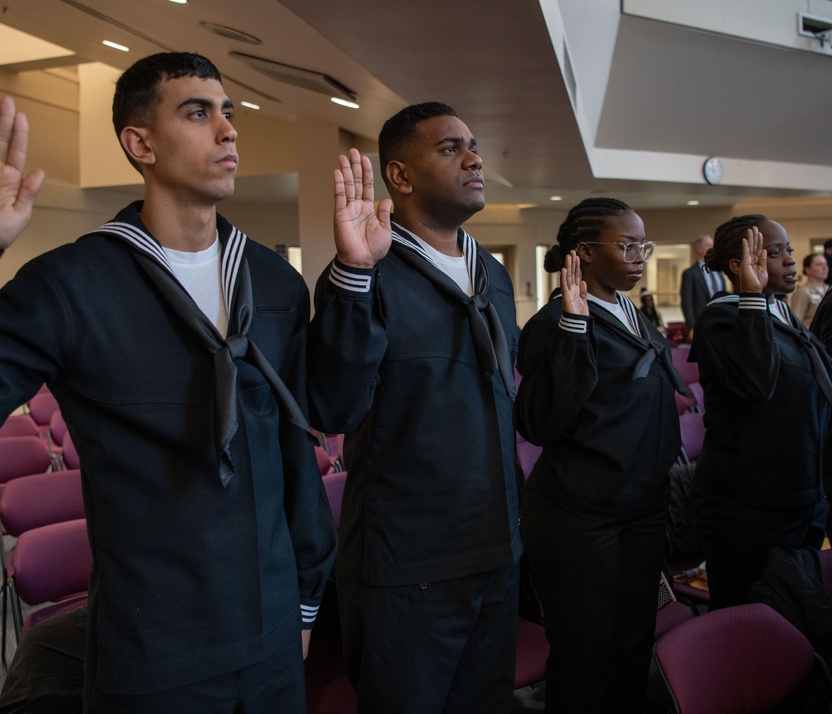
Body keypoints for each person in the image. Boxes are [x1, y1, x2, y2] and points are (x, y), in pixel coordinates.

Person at [0, 52, 337, 712]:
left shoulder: (273, 284)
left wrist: (307, 598)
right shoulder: (69, 288)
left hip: (273, 633)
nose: (228, 129)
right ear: (138, 143)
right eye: (198, 113)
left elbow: (293, 455)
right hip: (154, 648)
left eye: (228, 112)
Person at [308, 103, 521, 713]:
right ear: (399, 177)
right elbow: (335, 406)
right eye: (451, 148)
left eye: (473, 145)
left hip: (495, 549)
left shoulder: (494, 275)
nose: (474, 157)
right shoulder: (365, 272)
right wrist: (354, 271)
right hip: (409, 565)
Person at [515, 198, 686, 713]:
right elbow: (540, 422)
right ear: (585, 251)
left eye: (643, 246)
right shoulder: (553, 323)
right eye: (627, 245)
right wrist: (573, 327)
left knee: (633, 640)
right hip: (581, 514)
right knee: (586, 653)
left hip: (640, 505)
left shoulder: (630, 308)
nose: (639, 256)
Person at [692, 215, 831, 610]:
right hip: (747, 509)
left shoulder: (783, 314)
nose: (789, 260)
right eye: (774, 253)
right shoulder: (723, 317)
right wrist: (752, 297)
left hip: (801, 497)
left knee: (799, 619)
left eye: (788, 250)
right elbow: (755, 384)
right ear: (738, 266)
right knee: (750, 624)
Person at [680, 234, 725, 341]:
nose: (712, 249)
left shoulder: (719, 272)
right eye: (708, 245)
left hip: (721, 320)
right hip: (702, 322)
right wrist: (691, 327)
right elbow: (687, 302)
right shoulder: (690, 273)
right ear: (699, 249)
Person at [790, 253, 828, 328]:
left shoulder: (828, 290)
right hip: (812, 336)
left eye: (826, 264)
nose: (825, 267)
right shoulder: (803, 292)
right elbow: (796, 322)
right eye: (819, 264)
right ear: (808, 270)